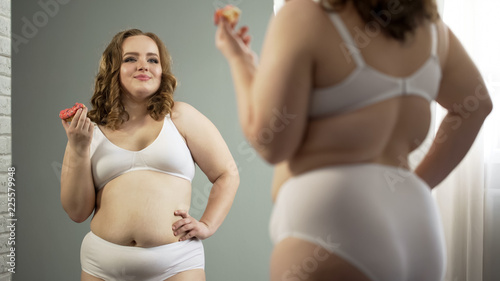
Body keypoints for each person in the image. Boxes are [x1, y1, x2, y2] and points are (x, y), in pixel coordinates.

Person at [215, 0, 492, 280]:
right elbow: (477, 105)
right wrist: (414, 185)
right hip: (418, 226)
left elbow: (271, 143)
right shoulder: (431, 29)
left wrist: (240, 61)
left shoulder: (304, 15)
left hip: (331, 228)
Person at [60, 29, 239, 281]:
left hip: (177, 264)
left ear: (161, 70)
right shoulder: (89, 129)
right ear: (113, 69)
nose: (143, 65)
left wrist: (207, 224)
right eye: (130, 58)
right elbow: (77, 212)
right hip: (102, 264)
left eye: (153, 59)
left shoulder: (181, 117)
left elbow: (227, 173)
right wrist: (79, 149)